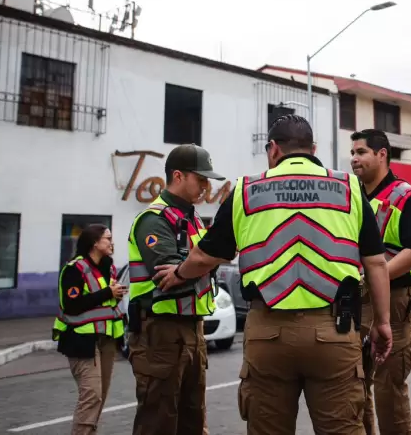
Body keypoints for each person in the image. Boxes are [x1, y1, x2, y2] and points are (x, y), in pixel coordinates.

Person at [153, 114, 394, 435]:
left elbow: (205, 256)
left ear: (273, 149)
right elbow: (376, 263)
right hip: (334, 332)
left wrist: (179, 273)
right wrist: (382, 322)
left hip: (267, 333)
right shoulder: (348, 187)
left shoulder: (246, 190)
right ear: (314, 149)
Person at [126, 144, 224, 435]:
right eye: (201, 179)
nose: (206, 186)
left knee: (193, 419)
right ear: (178, 176)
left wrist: (197, 263)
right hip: (160, 331)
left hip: (193, 330)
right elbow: (166, 274)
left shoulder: (192, 219)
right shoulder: (154, 219)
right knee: (159, 421)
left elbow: (204, 263)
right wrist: (202, 261)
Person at [350, 129, 411, 435]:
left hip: (396, 301)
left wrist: (374, 278)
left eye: (361, 152)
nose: (354, 159)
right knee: (352, 385)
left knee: (388, 389)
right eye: (353, 153)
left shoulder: (403, 195)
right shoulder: (352, 194)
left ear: (381, 154)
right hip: (357, 301)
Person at [53, 224, 127, 435]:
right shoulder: (74, 269)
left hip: (107, 340)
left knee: (99, 397)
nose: (111, 242)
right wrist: (107, 293)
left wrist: (115, 294)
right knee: (92, 396)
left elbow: (105, 301)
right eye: (107, 238)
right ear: (94, 243)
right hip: (81, 342)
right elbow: (71, 305)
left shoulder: (108, 267)